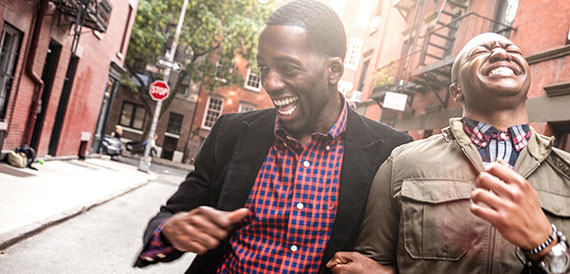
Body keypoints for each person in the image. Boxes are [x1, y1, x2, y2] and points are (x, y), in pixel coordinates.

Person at [134, 1, 412, 273]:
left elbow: (424, 259)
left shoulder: (392, 152)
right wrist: (172, 230)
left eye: (288, 68)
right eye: (264, 68)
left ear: (334, 70)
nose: (270, 83)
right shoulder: (230, 133)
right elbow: (165, 220)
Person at [327, 33, 570, 274]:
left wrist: (546, 245)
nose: (500, 53)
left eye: (513, 51)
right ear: (456, 92)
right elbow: (368, 265)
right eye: (479, 52)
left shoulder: (566, 172)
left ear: (528, 81)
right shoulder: (401, 163)